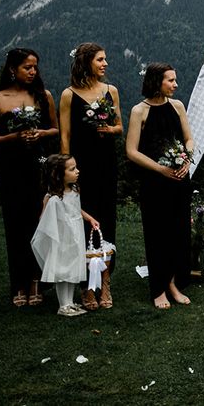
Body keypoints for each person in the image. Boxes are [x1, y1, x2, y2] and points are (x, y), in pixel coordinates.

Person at [0, 48, 59, 307]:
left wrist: (39, 133)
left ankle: (38, 280)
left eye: (35, 67)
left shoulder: (43, 96)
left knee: (39, 222)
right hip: (11, 168)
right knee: (15, 225)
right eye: (27, 67)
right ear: (12, 69)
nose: (33, 72)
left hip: (38, 166)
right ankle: (18, 283)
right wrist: (15, 137)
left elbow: (55, 129)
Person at [59, 43, 122, 311]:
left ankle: (105, 282)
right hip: (80, 165)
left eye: (105, 59)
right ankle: (87, 286)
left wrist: (109, 129)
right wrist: (66, 171)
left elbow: (120, 126)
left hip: (106, 163)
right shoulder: (68, 95)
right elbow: (65, 135)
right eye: (100, 60)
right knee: (82, 223)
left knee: (106, 220)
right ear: (86, 63)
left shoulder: (111, 91)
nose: (105, 64)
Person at [126, 62, 194, 310]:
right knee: (158, 235)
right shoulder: (139, 111)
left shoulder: (177, 106)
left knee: (179, 234)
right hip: (154, 182)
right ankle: (158, 288)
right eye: (171, 80)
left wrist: (186, 158)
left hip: (179, 179)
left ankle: (174, 284)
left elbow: (188, 138)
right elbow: (131, 151)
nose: (176, 85)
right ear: (157, 82)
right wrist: (160, 169)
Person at [31, 154, 99, 317]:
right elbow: (44, 219)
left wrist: (89, 218)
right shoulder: (52, 197)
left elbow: (76, 208)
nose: (77, 171)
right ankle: (63, 305)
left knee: (72, 269)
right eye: (72, 169)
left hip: (75, 236)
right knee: (62, 270)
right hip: (61, 239)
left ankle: (69, 302)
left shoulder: (75, 189)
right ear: (58, 174)